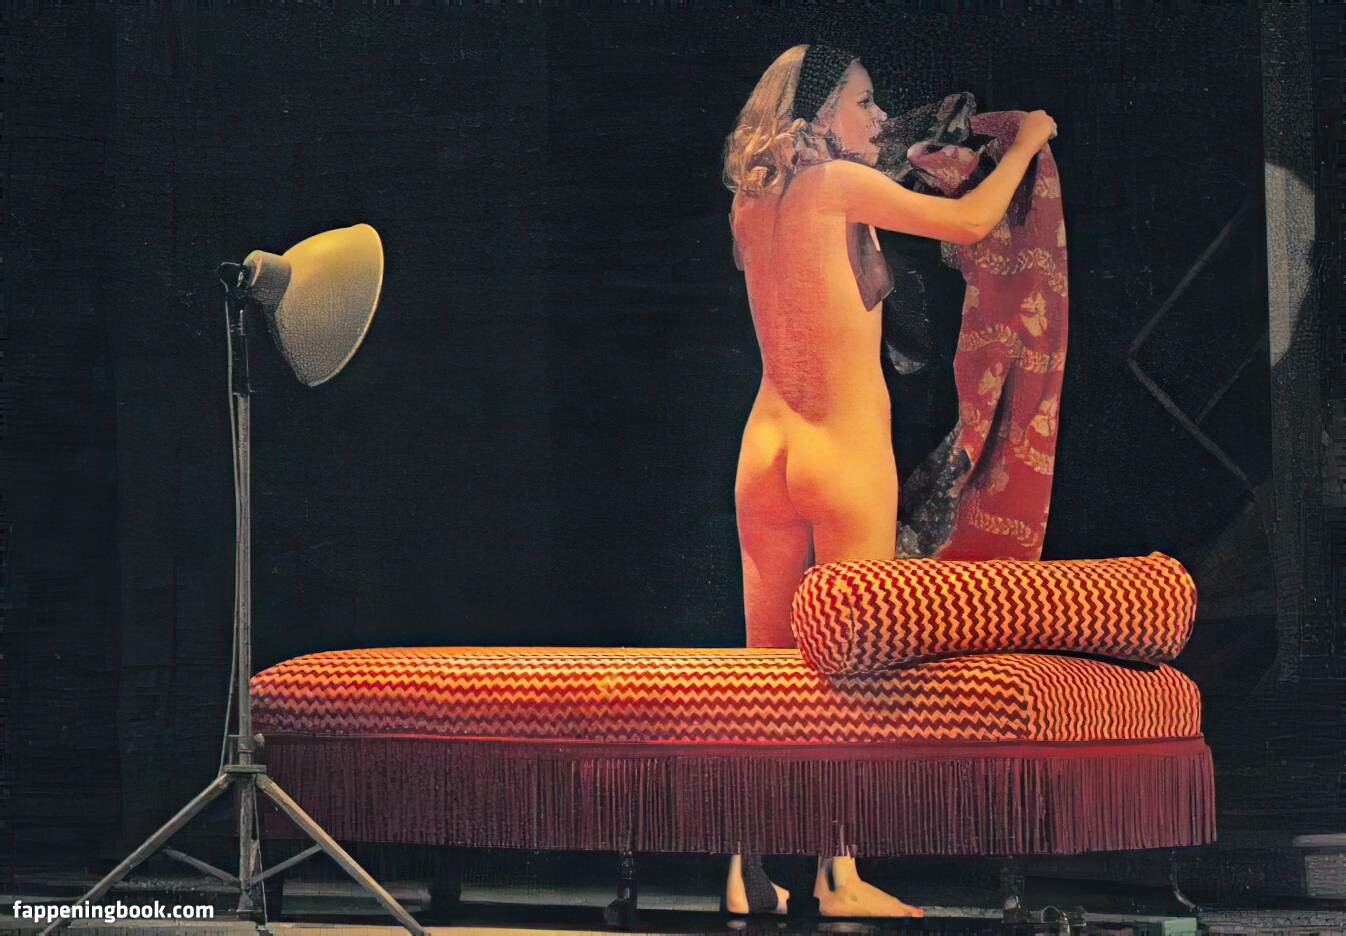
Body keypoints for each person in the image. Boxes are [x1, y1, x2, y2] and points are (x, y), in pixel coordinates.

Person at [720, 42, 1057, 918]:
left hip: (765, 453)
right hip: (841, 454)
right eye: (863, 102)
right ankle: (838, 876)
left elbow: (845, 269)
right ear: (819, 113)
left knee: (766, 674)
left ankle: (744, 867)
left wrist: (900, 155)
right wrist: (1026, 143)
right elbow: (971, 223)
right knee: (850, 671)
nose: (876, 116)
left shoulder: (752, 202)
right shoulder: (836, 187)